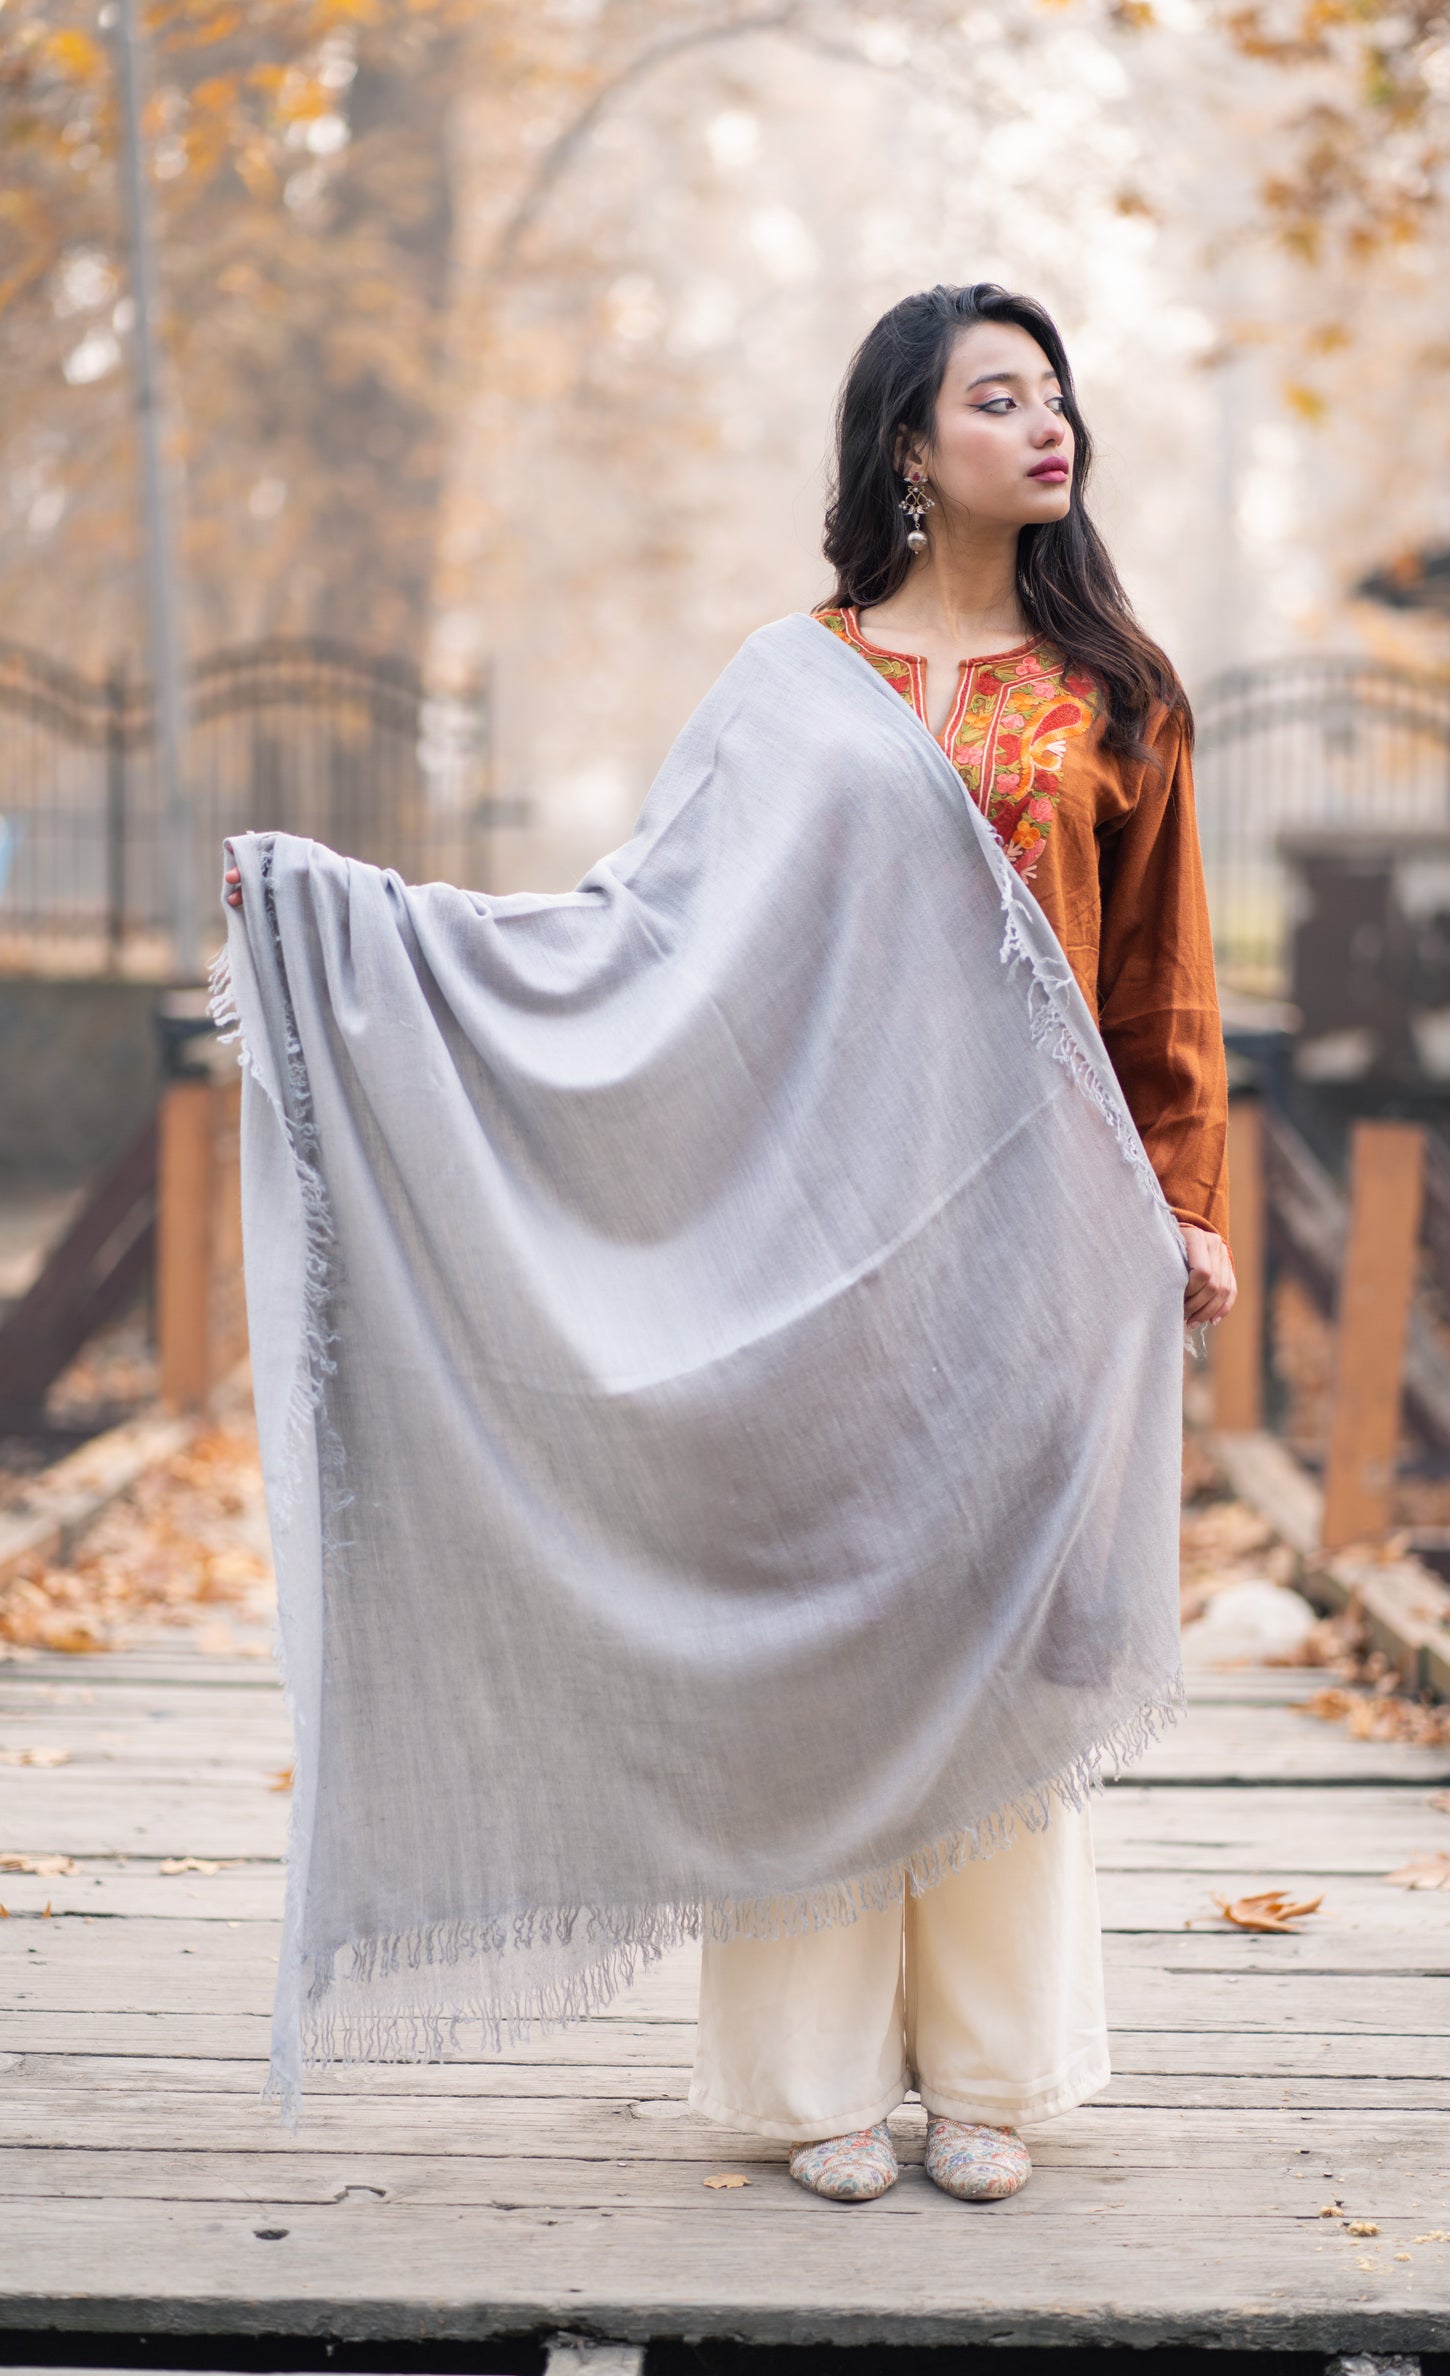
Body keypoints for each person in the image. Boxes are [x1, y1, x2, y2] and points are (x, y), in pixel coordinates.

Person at [222, 281, 1234, 2207]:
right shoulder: (795, 678)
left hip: (1033, 1250)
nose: (1046, 426)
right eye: (995, 399)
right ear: (908, 453)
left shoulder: (1118, 692)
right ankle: (810, 2078)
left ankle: (993, 2073)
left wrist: (1181, 1204)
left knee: (1002, 1636)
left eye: (1056, 397)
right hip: (813, 1240)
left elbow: (1161, 988)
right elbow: (645, 934)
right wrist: (348, 927)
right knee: (828, 1632)